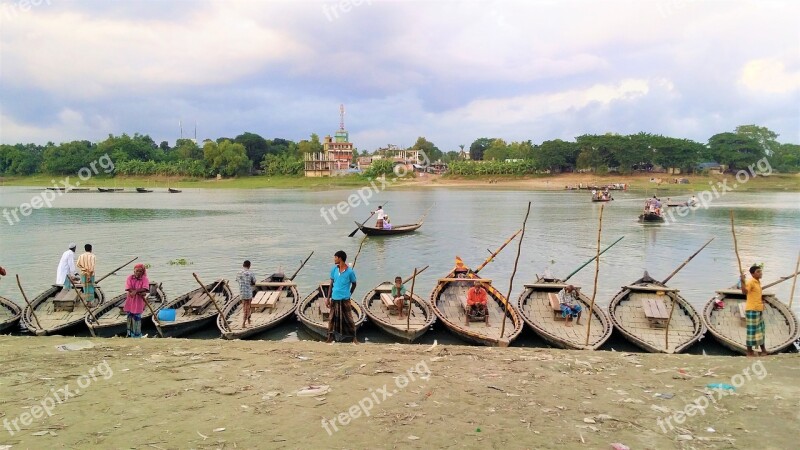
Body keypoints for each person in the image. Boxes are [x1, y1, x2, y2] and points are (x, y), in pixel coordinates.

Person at [326, 250, 358, 343]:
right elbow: (331, 284)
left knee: (349, 319)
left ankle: (353, 337)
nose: (334, 259)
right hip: (334, 298)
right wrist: (328, 298)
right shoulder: (334, 270)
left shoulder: (350, 272)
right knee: (332, 319)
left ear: (340, 258)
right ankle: (330, 337)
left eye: (335, 257)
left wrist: (349, 294)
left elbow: (354, 284)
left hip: (345, 299)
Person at [741, 263, 768, 357]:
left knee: (761, 330)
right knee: (752, 331)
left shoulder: (757, 282)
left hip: (758, 309)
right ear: (752, 274)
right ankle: (749, 351)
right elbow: (744, 292)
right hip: (752, 310)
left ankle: (763, 350)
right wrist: (742, 281)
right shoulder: (750, 282)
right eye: (758, 271)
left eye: (760, 271)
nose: (760, 273)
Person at [123, 263, 150, 338]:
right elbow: (128, 287)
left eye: (140, 271)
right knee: (130, 317)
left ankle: (137, 335)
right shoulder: (130, 278)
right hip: (130, 299)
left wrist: (136, 291)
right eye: (136, 271)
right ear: (134, 271)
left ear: (142, 272)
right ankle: (129, 334)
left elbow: (145, 288)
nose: (138, 273)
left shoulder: (145, 279)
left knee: (137, 317)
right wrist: (134, 292)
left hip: (138, 301)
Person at [237, 260, 257, 328]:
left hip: (241, 292)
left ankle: (248, 320)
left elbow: (238, 281)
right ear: (249, 266)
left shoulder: (239, 273)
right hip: (248, 293)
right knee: (247, 307)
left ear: (243, 265)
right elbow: (254, 282)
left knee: (245, 307)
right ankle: (243, 323)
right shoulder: (251, 273)